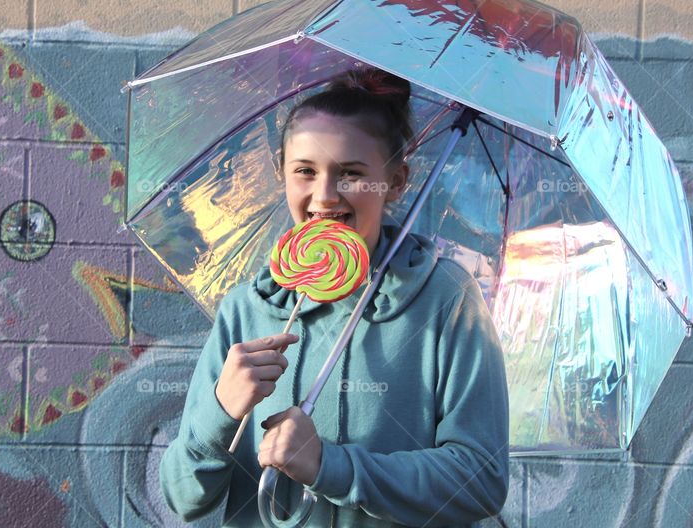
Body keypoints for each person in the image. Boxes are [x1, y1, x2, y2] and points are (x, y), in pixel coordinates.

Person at [159, 66, 510, 527]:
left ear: (397, 182)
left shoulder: (448, 300)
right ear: (280, 174)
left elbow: (481, 481)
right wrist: (220, 411)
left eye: (350, 173)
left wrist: (332, 467)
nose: (324, 196)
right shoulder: (247, 308)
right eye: (305, 171)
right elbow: (184, 498)